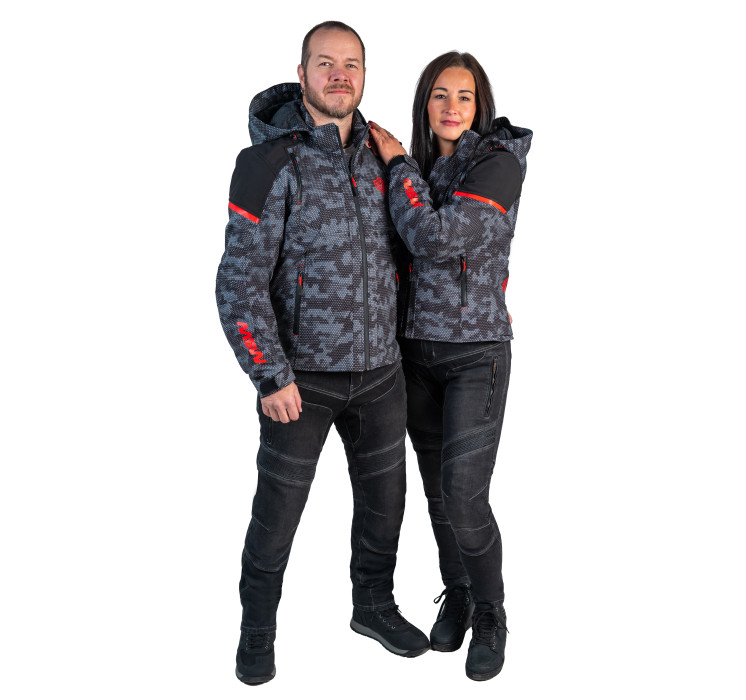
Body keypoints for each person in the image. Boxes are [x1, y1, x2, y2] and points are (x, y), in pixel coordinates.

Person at [216, 21, 430, 687]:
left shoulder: (383, 155)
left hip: (381, 375)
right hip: (300, 382)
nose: (340, 74)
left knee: (385, 505)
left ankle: (373, 607)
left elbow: (416, 249)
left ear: (364, 75)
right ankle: (256, 635)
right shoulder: (266, 163)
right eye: (326, 63)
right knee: (277, 518)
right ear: (302, 73)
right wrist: (270, 375)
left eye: (352, 64)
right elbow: (238, 282)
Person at [368, 51, 532, 681]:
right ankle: (457, 592)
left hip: (475, 355)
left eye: (465, 96)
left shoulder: (498, 164)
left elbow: (435, 238)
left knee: (465, 496)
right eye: (440, 95)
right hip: (414, 353)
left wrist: (397, 166)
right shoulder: (419, 165)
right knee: (438, 493)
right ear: (425, 104)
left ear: (480, 106)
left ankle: (491, 612)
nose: (452, 107)